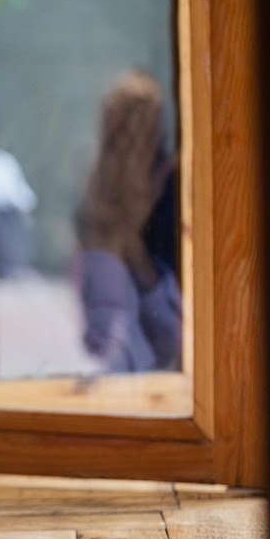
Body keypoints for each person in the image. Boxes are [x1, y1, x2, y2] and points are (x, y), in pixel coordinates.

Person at [77, 71, 182, 373]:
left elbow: (170, 335)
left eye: (140, 121)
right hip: (127, 361)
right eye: (123, 121)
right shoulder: (98, 189)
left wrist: (134, 251)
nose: (130, 135)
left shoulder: (173, 185)